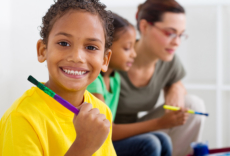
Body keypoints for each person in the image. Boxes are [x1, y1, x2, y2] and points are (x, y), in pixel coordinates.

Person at [0, 0, 117, 156]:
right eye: (63, 43)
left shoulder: (101, 112)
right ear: (42, 50)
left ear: (105, 60)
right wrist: (83, 146)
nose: (77, 57)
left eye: (91, 47)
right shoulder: (21, 117)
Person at [114, 0, 206, 156]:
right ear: (144, 27)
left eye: (181, 35)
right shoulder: (116, 58)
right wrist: (160, 123)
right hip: (108, 133)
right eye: (170, 33)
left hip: (136, 129)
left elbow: (177, 86)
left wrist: (175, 86)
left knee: (193, 105)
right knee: (152, 141)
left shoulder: (168, 59)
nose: (177, 42)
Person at [87, 13, 172, 156]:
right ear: (105, 49)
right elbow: (107, 131)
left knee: (163, 139)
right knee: (149, 143)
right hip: (95, 145)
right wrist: (160, 123)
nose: (133, 54)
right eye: (127, 48)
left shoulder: (115, 79)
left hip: (107, 141)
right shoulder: (93, 80)